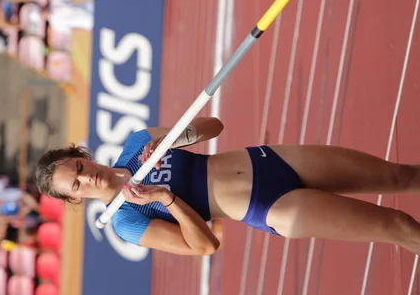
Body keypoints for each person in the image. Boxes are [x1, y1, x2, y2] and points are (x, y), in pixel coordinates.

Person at [35, 117, 420, 256]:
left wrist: (174, 138)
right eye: (77, 184)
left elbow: (214, 126)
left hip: (271, 160)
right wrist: (167, 199)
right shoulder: (127, 220)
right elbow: (203, 246)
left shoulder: (138, 144)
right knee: (397, 225)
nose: (87, 178)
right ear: (75, 197)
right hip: (271, 205)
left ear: (82, 155)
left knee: (400, 176)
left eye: (80, 167)